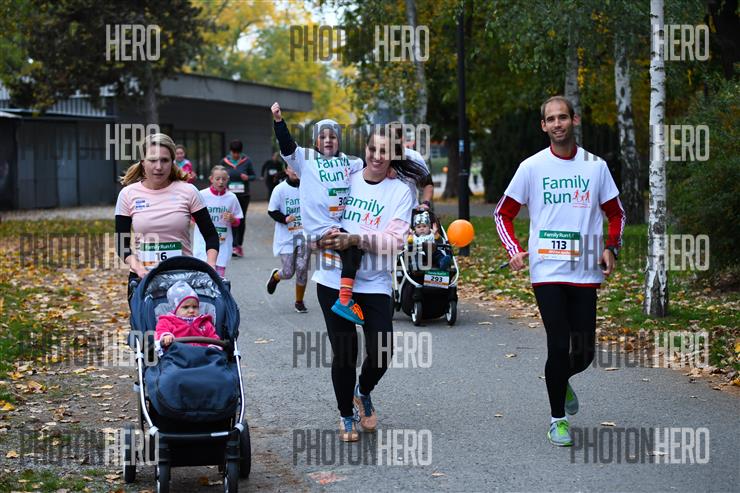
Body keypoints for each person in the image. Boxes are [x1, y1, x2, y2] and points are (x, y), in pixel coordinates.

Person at [493, 95, 626, 447]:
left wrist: (611, 247)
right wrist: (514, 249)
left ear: (574, 120)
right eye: (550, 119)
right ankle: (557, 420)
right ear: (543, 126)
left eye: (562, 117)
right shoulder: (532, 167)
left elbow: (617, 213)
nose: (557, 124)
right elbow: (502, 213)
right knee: (558, 344)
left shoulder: (595, 167)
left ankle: (560, 379)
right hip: (547, 270)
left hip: (585, 270)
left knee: (583, 354)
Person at [312, 125, 427, 442]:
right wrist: (319, 238)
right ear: (365, 149)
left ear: (393, 155)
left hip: (375, 282)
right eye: (372, 149)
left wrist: (356, 239)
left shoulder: (400, 191)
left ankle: (362, 391)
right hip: (332, 279)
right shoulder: (345, 178)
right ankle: (345, 415)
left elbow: (395, 241)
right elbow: (317, 214)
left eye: (384, 151)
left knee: (382, 350)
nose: (377, 156)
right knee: (345, 351)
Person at [271, 102, 368, 326]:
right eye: (322, 137)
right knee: (353, 249)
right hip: (320, 226)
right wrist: (279, 121)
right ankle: (345, 300)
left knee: (355, 252)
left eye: (332, 136)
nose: (328, 140)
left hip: (340, 223)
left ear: (338, 141)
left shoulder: (350, 162)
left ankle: (346, 298)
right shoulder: (305, 159)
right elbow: (287, 146)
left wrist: (389, 170)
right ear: (316, 142)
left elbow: (369, 168)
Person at [115, 133, 220, 302]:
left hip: (183, 278)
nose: (159, 167)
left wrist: (211, 265)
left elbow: (211, 235)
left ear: (172, 162)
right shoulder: (128, 194)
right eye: (152, 160)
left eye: (164, 160)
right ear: (142, 162)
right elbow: (121, 244)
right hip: (143, 279)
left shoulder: (188, 191)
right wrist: (139, 269)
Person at [266, 164, 310, 313]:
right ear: (286, 170)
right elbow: (272, 211)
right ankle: (276, 277)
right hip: (286, 236)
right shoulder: (280, 189)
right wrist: (285, 218)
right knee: (288, 272)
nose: (295, 170)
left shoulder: (308, 187)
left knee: (302, 268)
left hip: (304, 235)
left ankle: (299, 301)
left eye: (297, 167)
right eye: (292, 168)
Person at [193, 165, 243, 278]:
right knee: (203, 271)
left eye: (224, 179)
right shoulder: (202, 195)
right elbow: (192, 216)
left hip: (223, 241)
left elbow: (238, 222)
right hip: (203, 240)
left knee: (218, 274)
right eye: (217, 179)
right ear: (211, 179)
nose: (221, 182)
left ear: (228, 179)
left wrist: (232, 219)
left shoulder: (232, 198)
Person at [154, 280, 220, 354]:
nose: (191, 311)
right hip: (177, 354)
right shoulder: (167, 321)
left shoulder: (204, 323)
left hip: (202, 354)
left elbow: (213, 337)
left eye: (195, 307)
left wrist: (213, 348)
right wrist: (166, 336)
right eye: (186, 307)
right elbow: (161, 330)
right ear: (175, 309)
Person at [389, 122, 435, 211]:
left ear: (402, 138)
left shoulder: (414, 157)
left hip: (409, 211)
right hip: (386, 212)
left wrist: (425, 203)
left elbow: (428, 183)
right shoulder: (382, 157)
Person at [222, 140, 256, 257]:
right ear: (230, 151)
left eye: (237, 152)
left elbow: (254, 176)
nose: (235, 155)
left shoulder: (247, 161)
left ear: (241, 152)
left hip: (243, 196)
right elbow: (219, 174)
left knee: (240, 219)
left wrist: (248, 177)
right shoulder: (224, 161)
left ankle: (238, 245)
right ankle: (231, 244)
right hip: (228, 196)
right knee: (229, 219)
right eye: (234, 152)